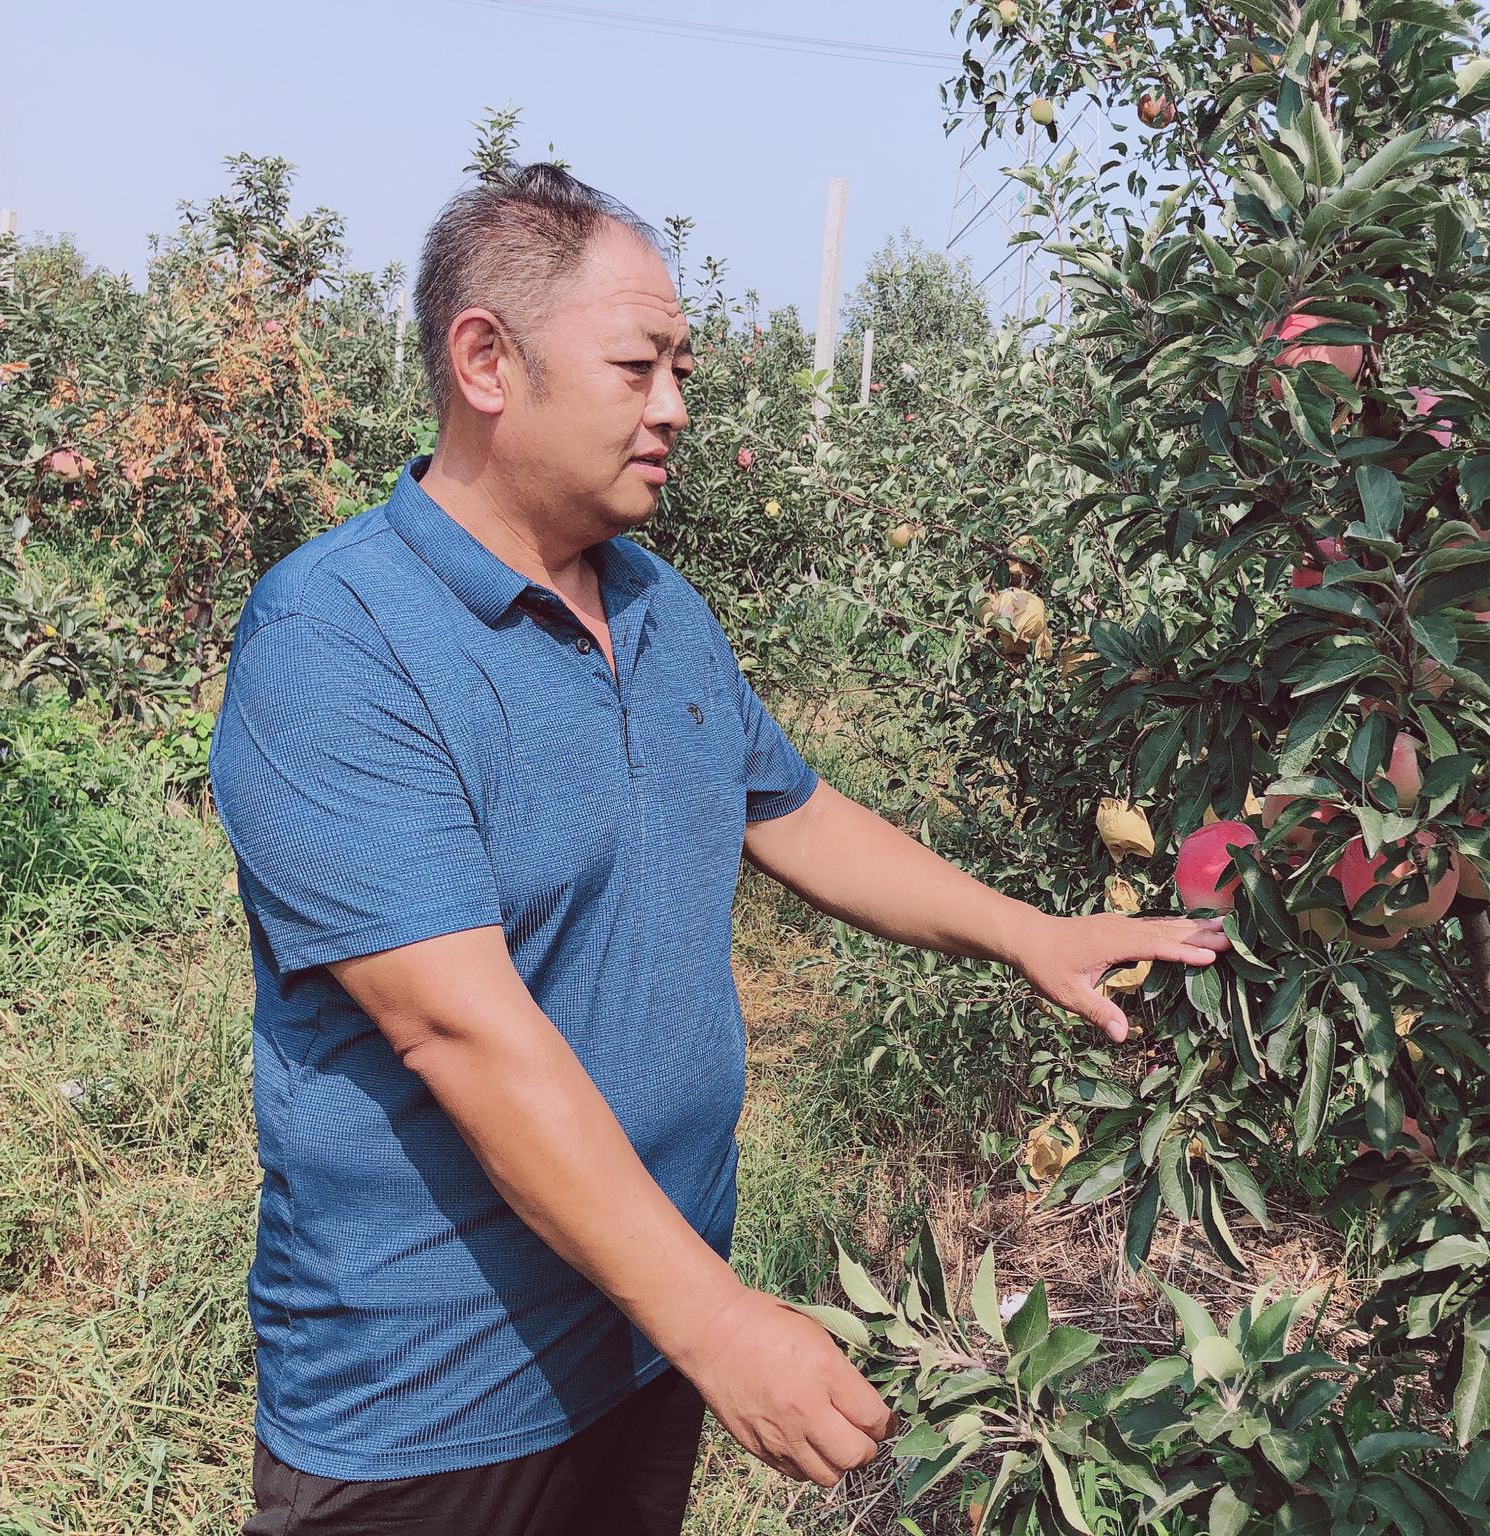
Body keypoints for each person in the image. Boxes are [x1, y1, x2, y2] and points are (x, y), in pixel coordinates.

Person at [209, 162, 1229, 1536]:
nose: (677, 406)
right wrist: (722, 1323)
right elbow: (458, 1032)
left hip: (640, 1340)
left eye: (681, 366)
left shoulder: (656, 603)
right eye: (640, 367)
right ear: (486, 361)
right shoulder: (340, 640)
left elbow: (791, 812)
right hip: (435, 1393)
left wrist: (1024, 932)